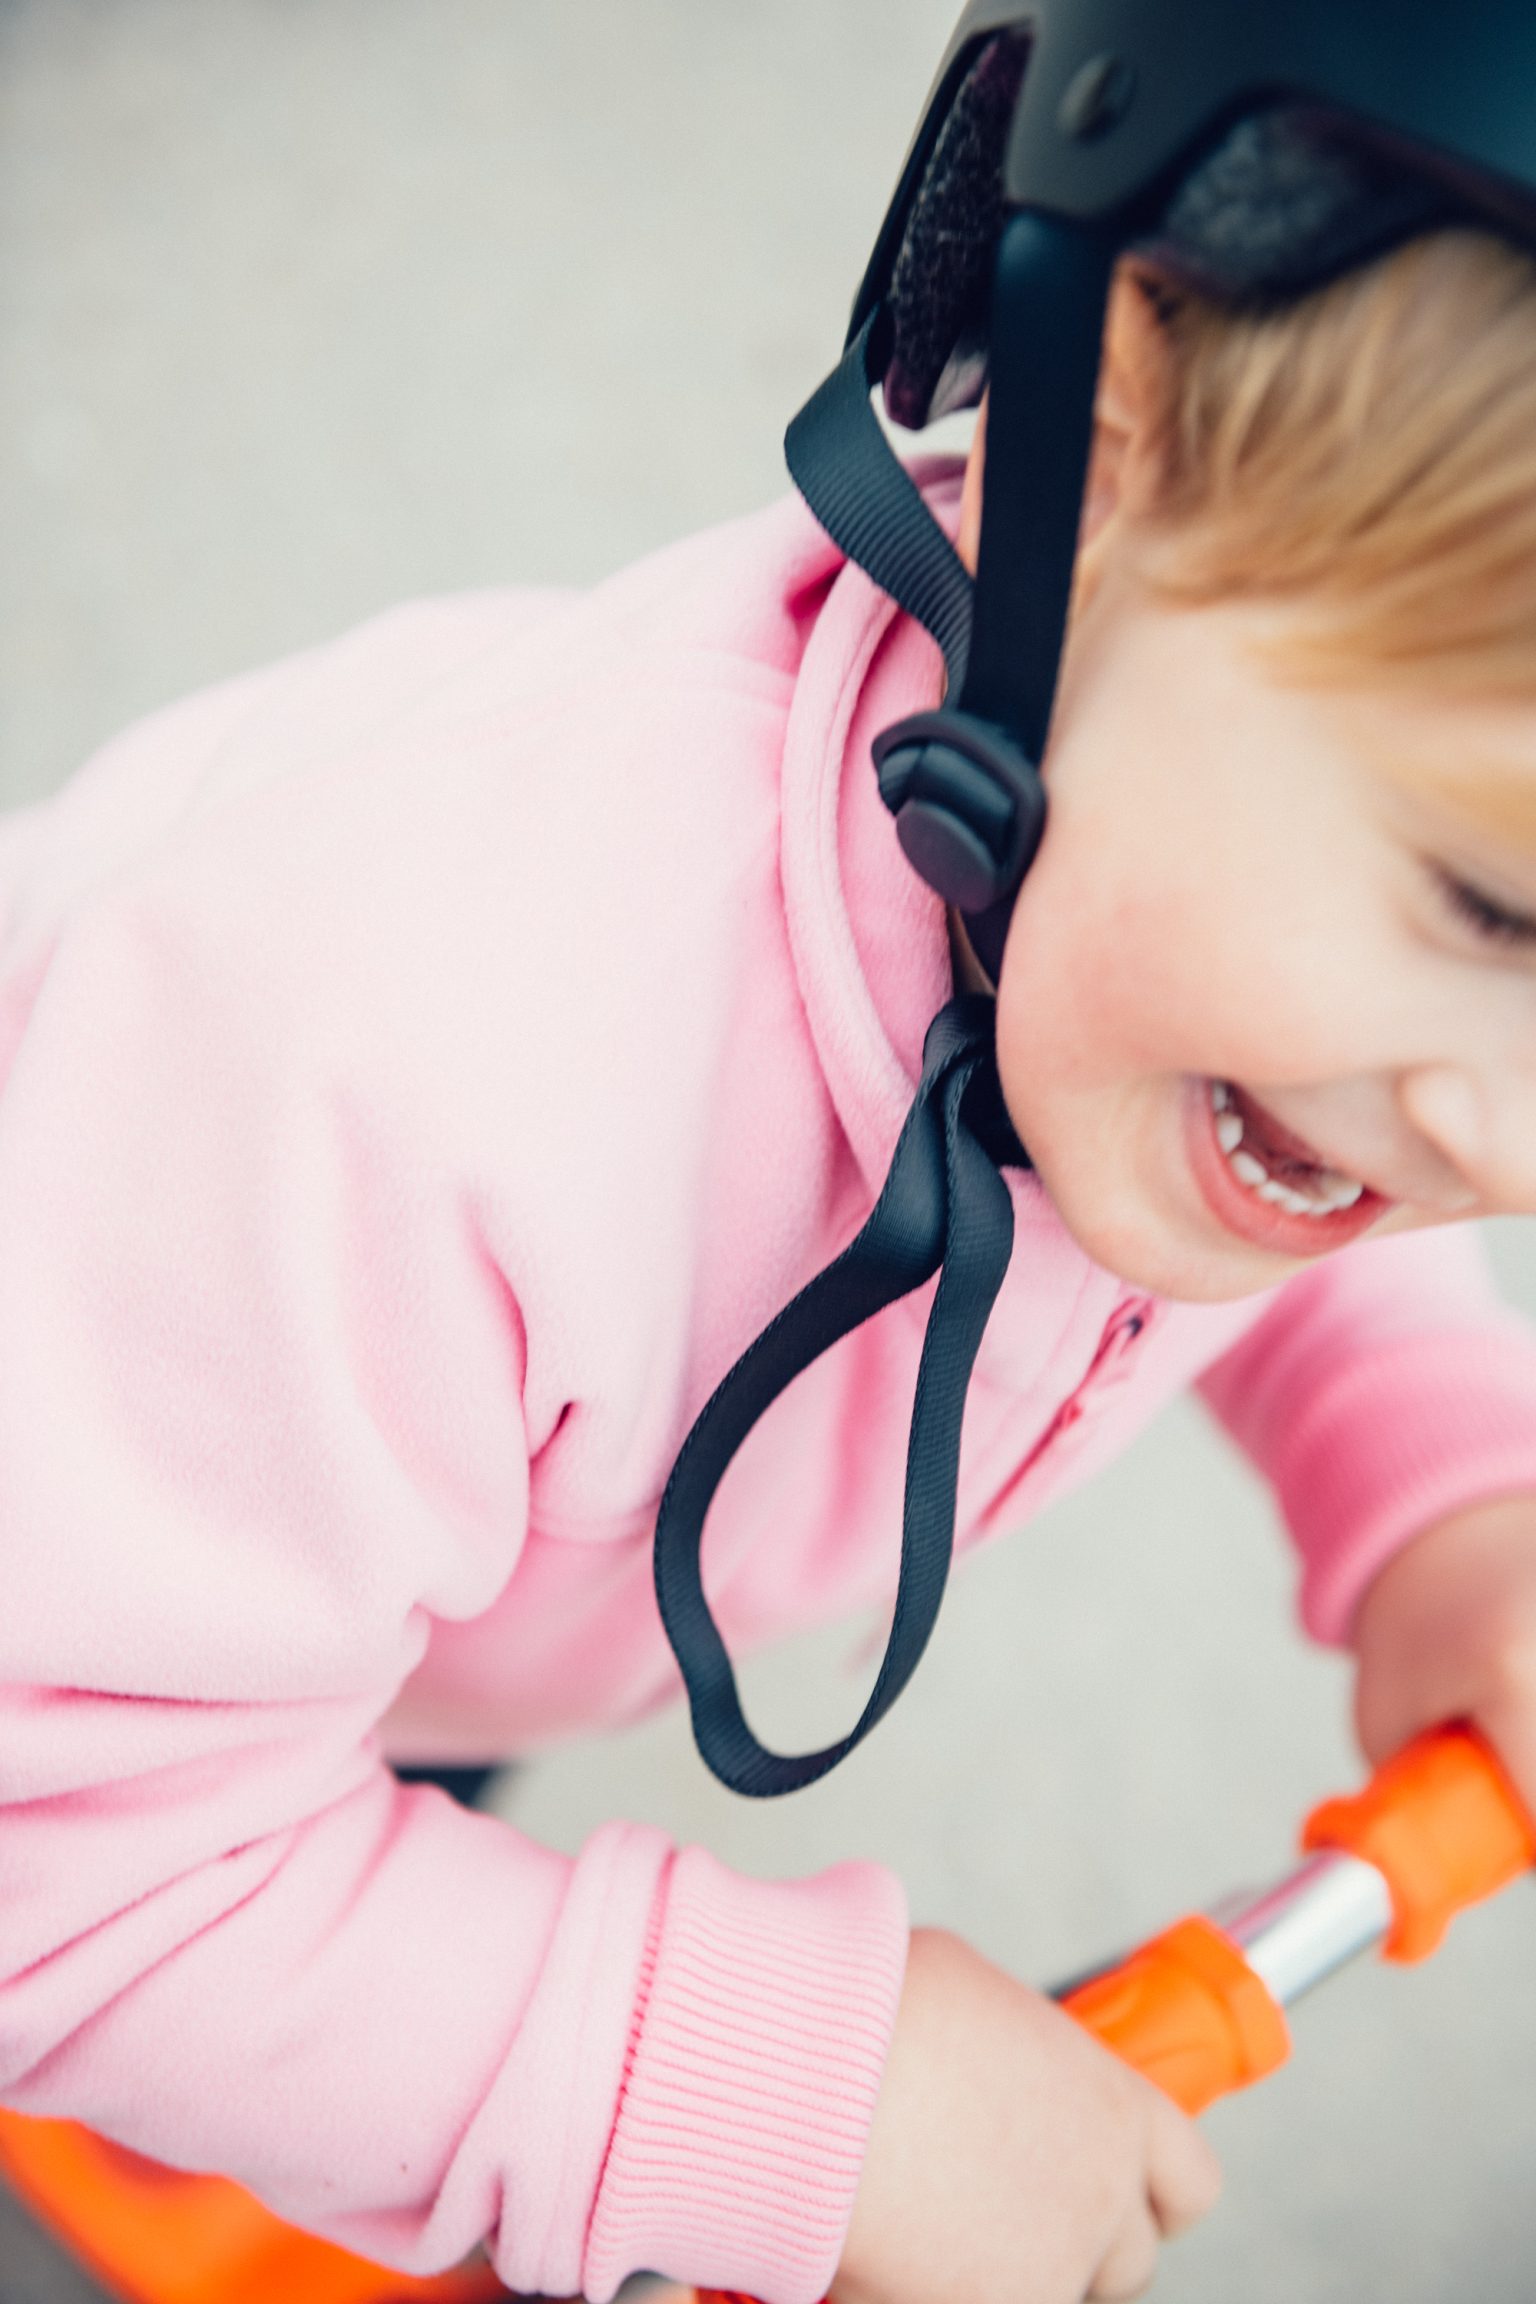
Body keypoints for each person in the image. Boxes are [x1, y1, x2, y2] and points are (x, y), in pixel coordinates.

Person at [3, 10, 1536, 2304]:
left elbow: (1295, 1177)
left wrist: (1438, 1486)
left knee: (343, 1835)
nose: (1505, 1136)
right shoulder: (431, 1058)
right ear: (1080, 475)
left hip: (411, 1582)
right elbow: (38, 1804)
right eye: (1488, 908)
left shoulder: (1194, 980)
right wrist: (755, 2088)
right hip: (86, 1607)